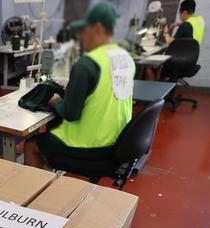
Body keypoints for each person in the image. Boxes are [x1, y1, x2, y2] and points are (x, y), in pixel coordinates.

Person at [24, 2, 134, 169]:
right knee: (54, 130)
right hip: (119, 141)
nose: (81, 36)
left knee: (31, 145)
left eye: (84, 30)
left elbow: (70, 113)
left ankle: (37, 192)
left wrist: (56, 101)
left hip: (91, 144)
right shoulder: (125, 57)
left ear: (97, 28)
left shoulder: (86, 65)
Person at [144, 0, 205, 80]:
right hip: (190, 60)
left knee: (148, 65)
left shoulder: (186, 26)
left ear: (185, 12)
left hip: (175, 60)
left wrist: (166, 32)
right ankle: (162, 85)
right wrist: (179, 24)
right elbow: (191, 31)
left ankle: (153, 89)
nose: (179, 16)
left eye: (180, 13)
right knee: (160, 66)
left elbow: (170, 42)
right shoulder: (200, 21)